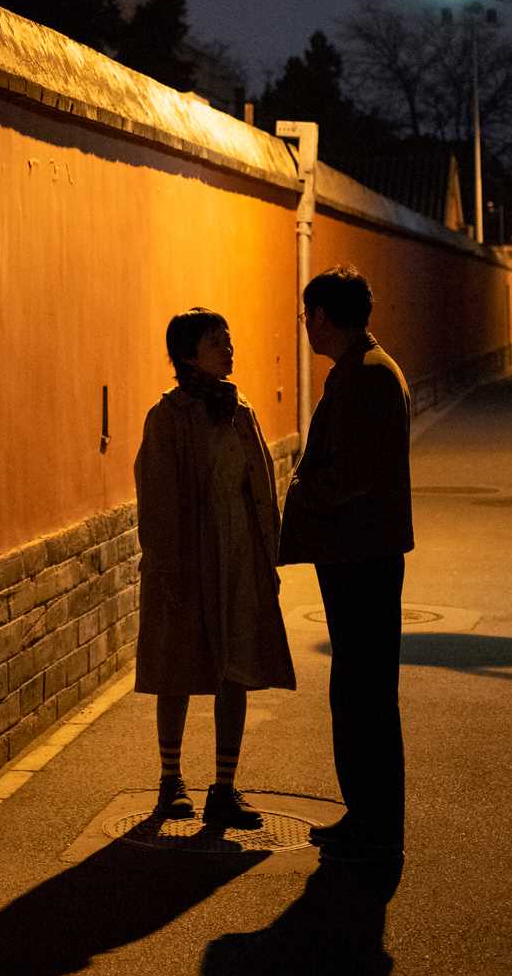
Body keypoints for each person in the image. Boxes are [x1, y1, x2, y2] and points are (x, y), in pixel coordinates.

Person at [134, 308, 295, 829]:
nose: (228, 349)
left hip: (237, 554)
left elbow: (259, 487)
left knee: (237, 667)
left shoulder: (238, 408)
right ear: (188, 355)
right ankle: (170, 781)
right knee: (176, 667)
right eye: (216, 342)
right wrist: (166, 567)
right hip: (187, 558)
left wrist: (266, 556)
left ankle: (224, 786)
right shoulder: (168, 417)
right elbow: (157, 499)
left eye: (228, 339)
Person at [278, 265, 412, 880]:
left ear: (324, 316)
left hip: (362, 554)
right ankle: (365, 817)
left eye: (309, 315)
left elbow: (355, 474)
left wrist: (303, 491)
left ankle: (376, 828)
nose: (306, 326)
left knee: (365, 695)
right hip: (359, 553)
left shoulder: (367, 376)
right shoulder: (364, 370)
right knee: (358, 691)